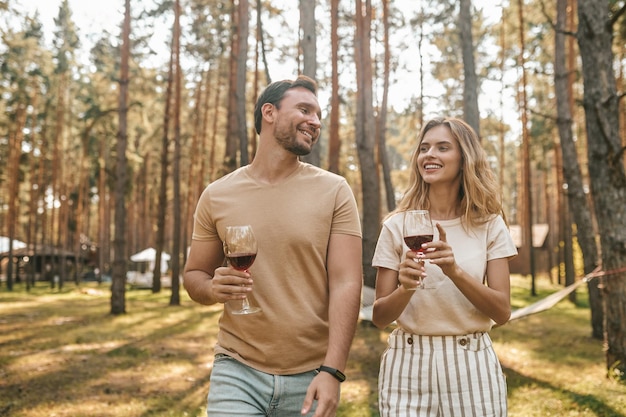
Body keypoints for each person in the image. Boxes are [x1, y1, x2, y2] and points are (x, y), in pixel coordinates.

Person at [183, 75, 363, 417]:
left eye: (318, 115)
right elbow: (194, 274)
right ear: (269, 112)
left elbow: (346, 282)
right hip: (237, 369)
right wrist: (211, 288)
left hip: (311, 374)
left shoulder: (335, 191)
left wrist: (333, 371)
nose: (316, 121)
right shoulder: (217, 194)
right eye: (305, 109)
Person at [371, 117, 517, 417]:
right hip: (407, 363)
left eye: (442, 147)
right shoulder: (396, 226)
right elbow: (380, 317)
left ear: (464, 159)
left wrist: (455, 271)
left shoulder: (489, 225)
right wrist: (406, 288)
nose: (429, 155)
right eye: (424, 148)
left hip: (471, 362)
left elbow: (502, 312)